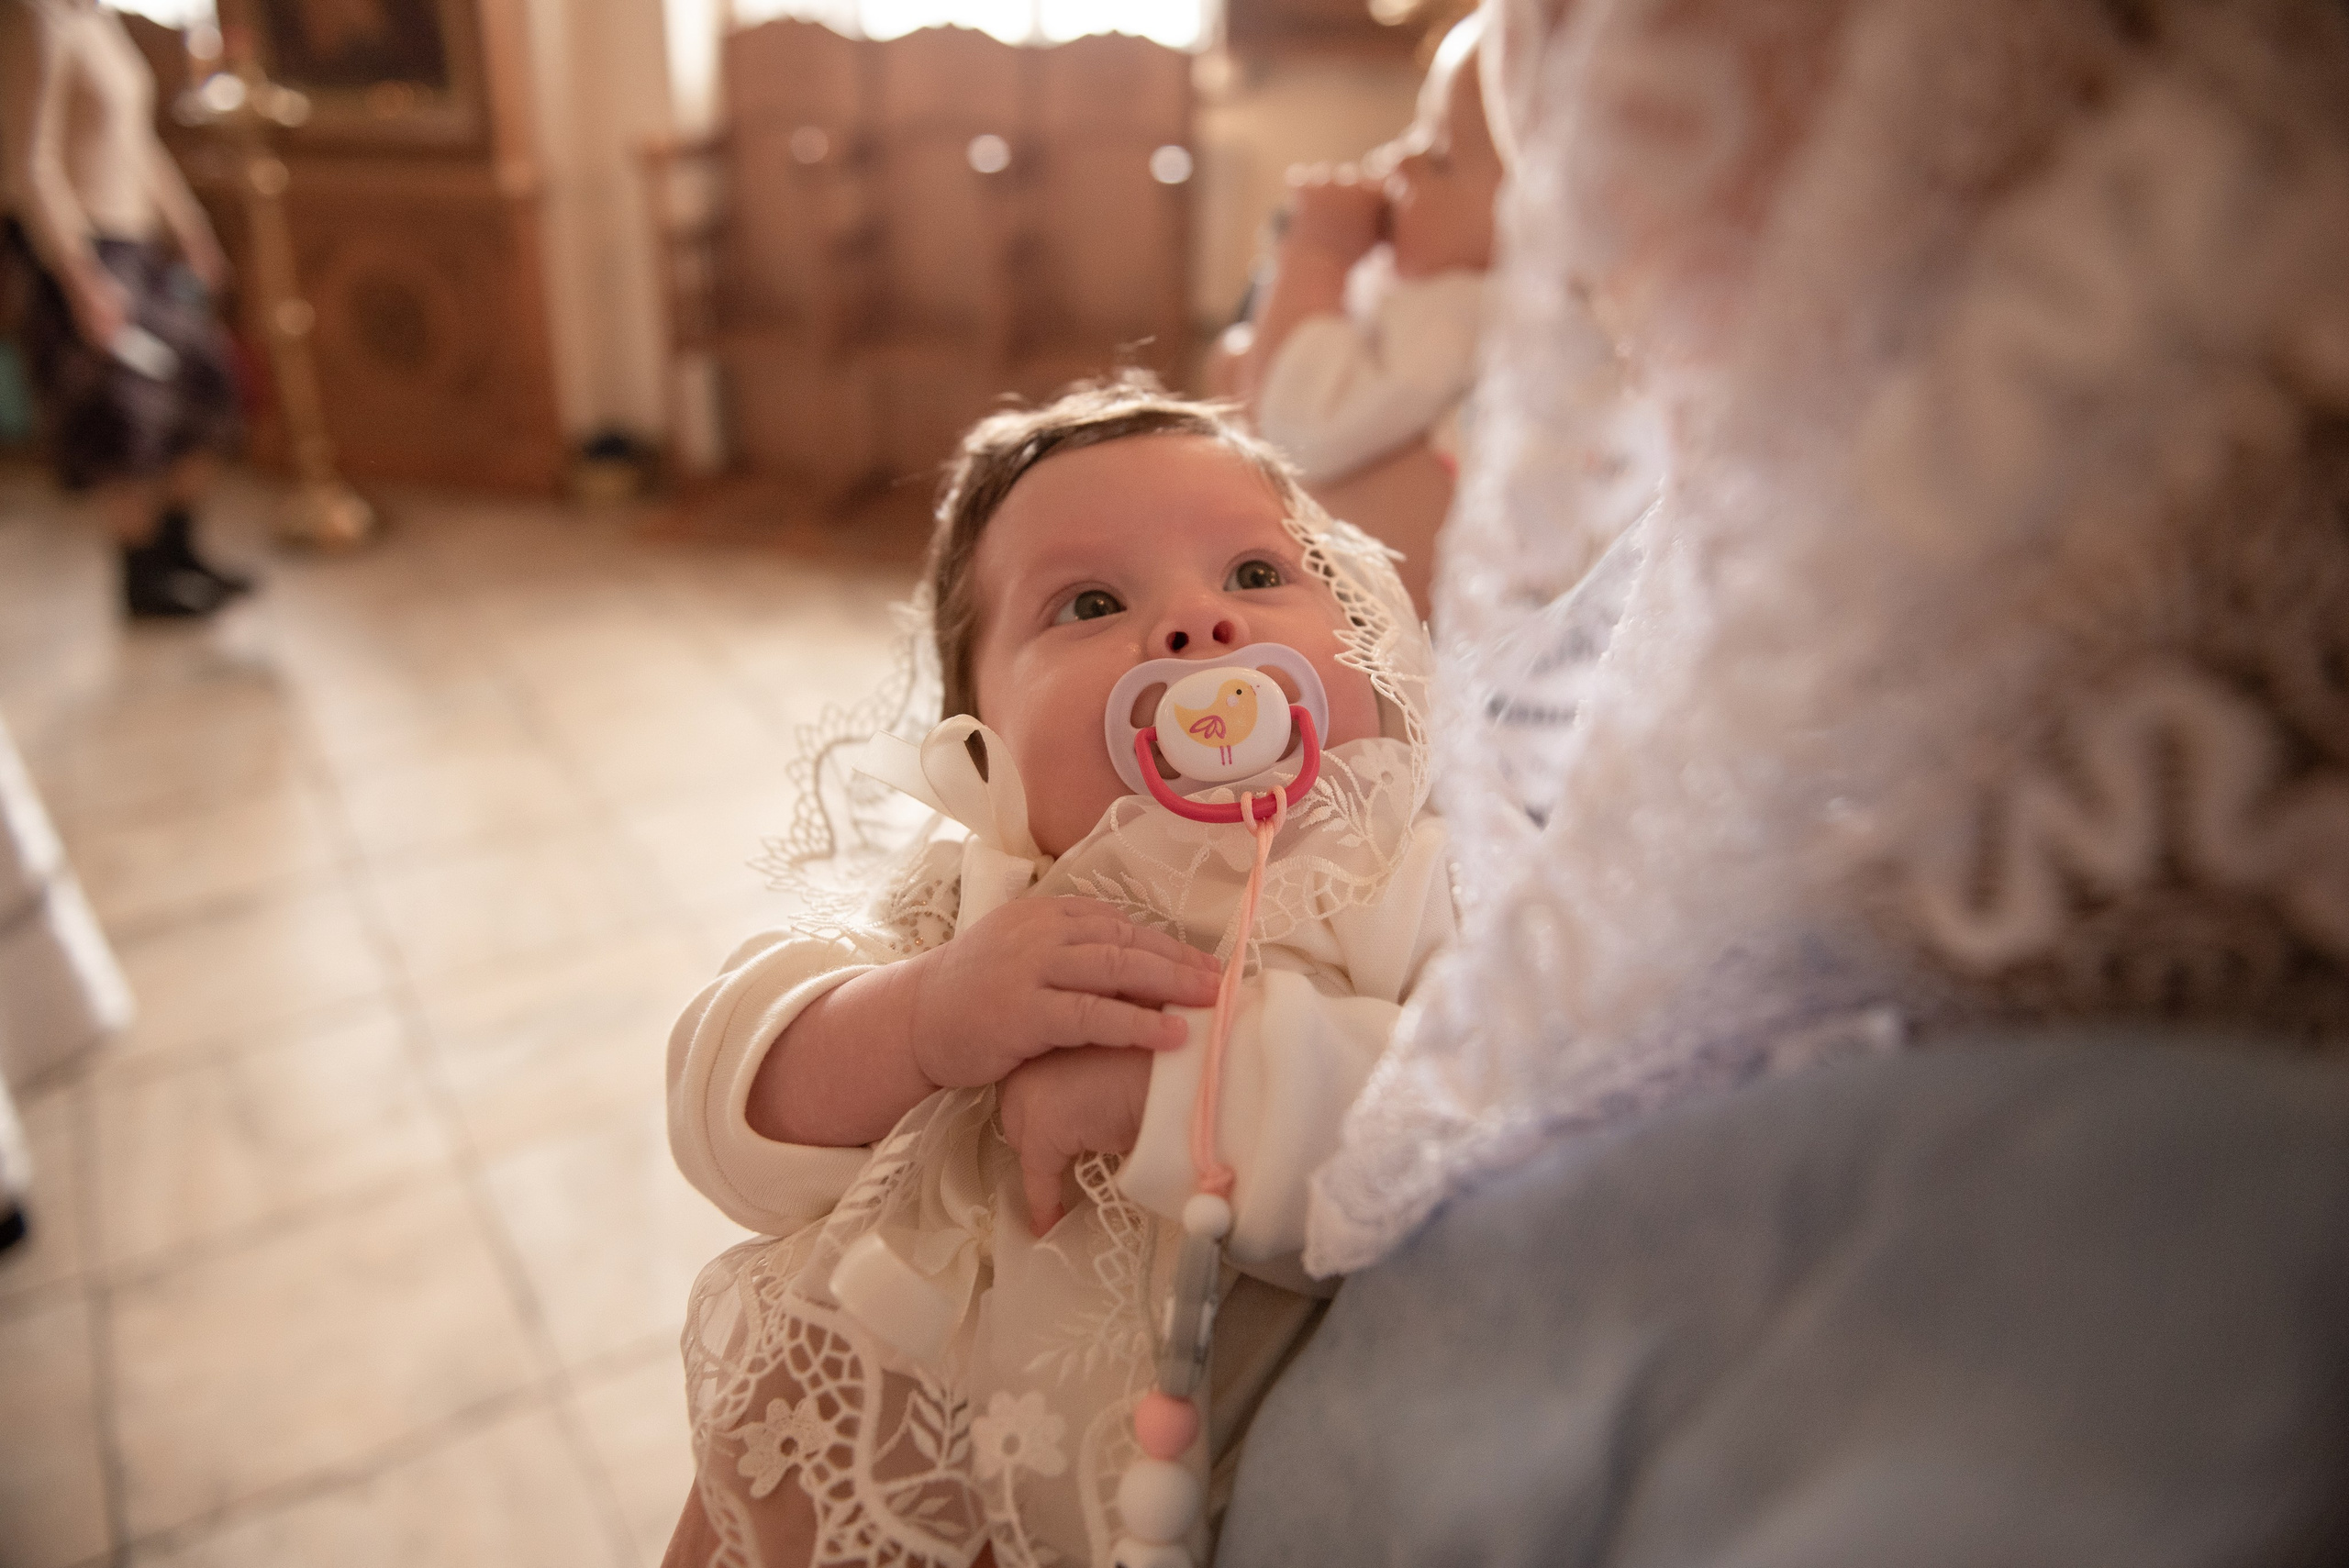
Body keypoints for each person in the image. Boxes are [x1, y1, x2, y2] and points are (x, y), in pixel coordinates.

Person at [664, 378, 1453, 1568]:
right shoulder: (982, 891)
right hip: (839, 1455)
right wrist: (918, 1019)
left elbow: (1470, 1107)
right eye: (1089, 602)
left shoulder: (1400, 867)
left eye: (1255, 575)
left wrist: (1184, 1089)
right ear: (975, 735)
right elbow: (722, 1102)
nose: (1198, 630)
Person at [1231, 12, 1503, 618]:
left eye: (1437, 156)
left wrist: (1318, 253)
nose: (1395, 163)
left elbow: (1299, 422)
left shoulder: (1466, 306)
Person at [1, 0, 250, 618]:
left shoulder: (97, 17)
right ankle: (142, 576)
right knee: (122, 419)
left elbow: (137, 141)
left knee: (204, 387)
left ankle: (180, 552)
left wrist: (190, 229)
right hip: (83, 251)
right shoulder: (33, 18)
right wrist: (80, 278)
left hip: (139, 245)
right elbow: (26, 162)